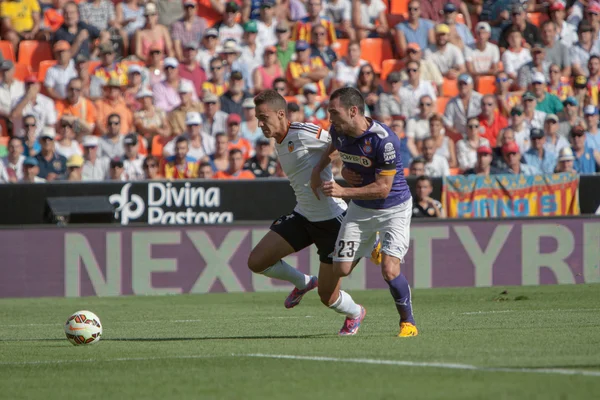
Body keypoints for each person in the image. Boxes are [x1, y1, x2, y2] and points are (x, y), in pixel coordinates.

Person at [249, 89, 365, 336]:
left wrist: (320, 170)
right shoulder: (279, 141)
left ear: (281, 114)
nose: (260, 124)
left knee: (328, 298)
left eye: (263, 117)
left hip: (333, 221)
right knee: (256, 261)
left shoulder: (302, 132)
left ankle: (355, 313)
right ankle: (303, 282)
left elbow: (340, 140)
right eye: (257, 118)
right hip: (304, 216)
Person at [310, 87, 418, 337]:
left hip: (394, 208)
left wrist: (343, 190)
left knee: (390, 271)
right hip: (361, 209)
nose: (330, 119)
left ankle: (408, 323)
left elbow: (383, 189)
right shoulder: (338, 130)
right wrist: (319, 169)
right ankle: (373, 247)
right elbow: (332, 149)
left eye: (334, 113)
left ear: (353, 111)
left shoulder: (384, 140)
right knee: (341, 270)